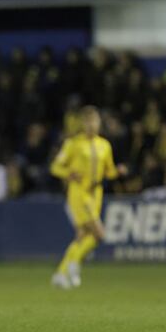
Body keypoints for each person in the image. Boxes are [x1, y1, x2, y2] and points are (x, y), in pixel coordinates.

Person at [50, 106, 127, 289]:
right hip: (79, 193)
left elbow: (108, 172)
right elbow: (55, 167)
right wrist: (68, 173)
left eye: (94, 121)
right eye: (88, 121)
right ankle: (73, 264)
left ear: (99, 123)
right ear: (83, 124)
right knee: (99, 234)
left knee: (83, 235)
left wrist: (118, 171)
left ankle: (61, 274)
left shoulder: (105, 145)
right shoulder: (73, 144)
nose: (91, 125)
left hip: (96, 194)